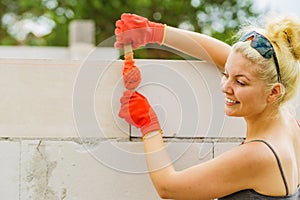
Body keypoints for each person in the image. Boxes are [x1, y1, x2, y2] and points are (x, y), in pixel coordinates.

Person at [116, 13, 300, 199]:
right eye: (226, 74)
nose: (225, 87)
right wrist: (154, 32)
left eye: (241, 82)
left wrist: (149, 124)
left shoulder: (259, 155)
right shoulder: (288, 121)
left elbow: (168, 187)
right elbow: (235, 60)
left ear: (274, 92)